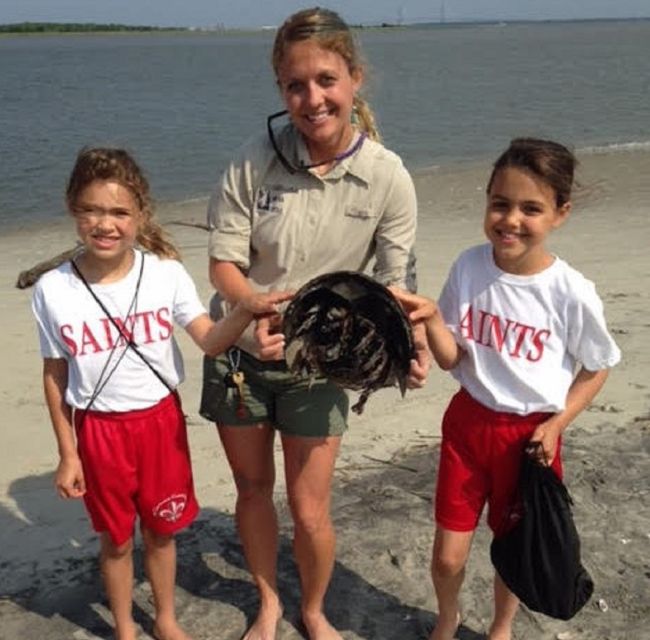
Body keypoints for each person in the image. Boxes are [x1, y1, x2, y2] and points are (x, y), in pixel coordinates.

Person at [199, 7, 429, 639]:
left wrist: (407, 345)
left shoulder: (387, 176)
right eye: (296, 85)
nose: (313, 98)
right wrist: (251, 313)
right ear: (281, 90)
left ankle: (314, 609)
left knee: (308, 507)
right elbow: (223, 263)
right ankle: (270, 602)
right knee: (251, 489)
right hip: (240, 354)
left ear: (354, 78)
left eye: (326, 79)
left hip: (324, 359)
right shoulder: (254, 161)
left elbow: (394, 282)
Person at [32, 147, 291, 640]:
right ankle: (127, 627)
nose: (104, 224)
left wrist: (245, 311)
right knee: (114, 539)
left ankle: (166, 618)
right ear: (72, 211)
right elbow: (54, 374)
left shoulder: (165, 273)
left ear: (141, 216)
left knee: (162, 529)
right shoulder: (53, 289)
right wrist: (68, 453)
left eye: (118, 212)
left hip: (159, 421)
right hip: (98, 428)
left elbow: (209, 340)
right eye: (91, 210)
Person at [391, 138, 621, 640]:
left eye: (530, 208)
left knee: (513, 548)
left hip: (531, 440)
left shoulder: (570, 291)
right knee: (448, 554)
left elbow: (598, 366)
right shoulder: (469, 266)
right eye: (500, 204)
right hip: (469, 424)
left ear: (560, 213)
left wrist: (558, 424)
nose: (511, 219)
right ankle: (447, 617)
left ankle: (501, 626)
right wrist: (430, 318)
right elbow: (454, 359)